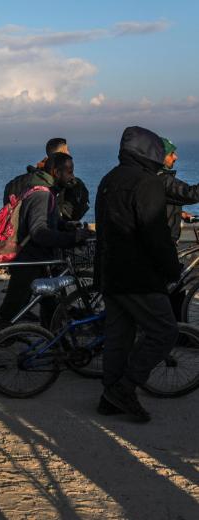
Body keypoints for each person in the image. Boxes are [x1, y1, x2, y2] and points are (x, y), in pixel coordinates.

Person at [95, 126, 180, 422]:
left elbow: (103, 230)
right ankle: (126, 387)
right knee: (164, 331)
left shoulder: (108, 179)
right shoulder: (147, 183)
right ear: (150, 151)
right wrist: (172, 269)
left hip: (111, 272)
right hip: (140, 275)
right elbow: (155, 234)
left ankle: (109, 395)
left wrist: (99, 277)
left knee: (119, 335)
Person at [0, 152, 90, 327]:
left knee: (52, 308)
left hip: (39, 261)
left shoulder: (43, 190)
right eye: (69, 172)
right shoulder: (42, 195)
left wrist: (63, 225)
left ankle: (57, 345)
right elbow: (39, 232)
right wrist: (72, 237)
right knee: (10, 314)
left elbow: (44, 220)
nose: (72, 176)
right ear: (56, 172)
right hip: (30, 261)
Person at [156, 137, 199, 243]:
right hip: (163, 241)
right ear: (160, 156)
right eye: (171, 154)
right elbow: (192, 194)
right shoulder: (162, 180)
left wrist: (181, 213)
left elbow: (157, 206)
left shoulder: (149, 176)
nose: (176, 157)